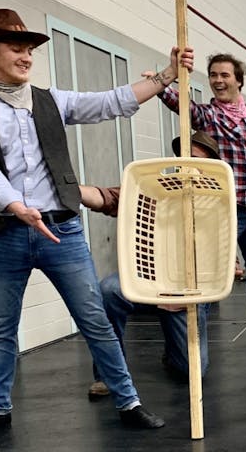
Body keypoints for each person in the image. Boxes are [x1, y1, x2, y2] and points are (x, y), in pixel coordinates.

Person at [0, 9, 180, 438]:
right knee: (0, 326)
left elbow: (111, 101)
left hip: (63, 231)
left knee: (94, 318)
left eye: (29, 50)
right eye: (16, 49)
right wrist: (17, 206)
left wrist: (166, 75)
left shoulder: (51, 101)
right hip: (5, 234)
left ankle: (128, 401)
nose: (26, 57)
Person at [158, 52, 246, 345]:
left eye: (224, 75)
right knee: (212, 276)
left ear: (238, 80)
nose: (218, 81)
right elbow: (181, 105)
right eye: (213, 75)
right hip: (224, 207)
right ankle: (194, 343)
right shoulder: (209, 115)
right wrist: (160, 84)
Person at [79, 131, 219, 399]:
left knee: (193, 371)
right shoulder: (157, 188)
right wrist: (76, 191)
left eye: (198, 158)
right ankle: (107, 374)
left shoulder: (214, 201)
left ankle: (174, 353)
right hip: (148, 280)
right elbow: (113, 197)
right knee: (109, 289)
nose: (188, 163)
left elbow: (220, 252)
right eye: (184, 157)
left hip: (189, 291)